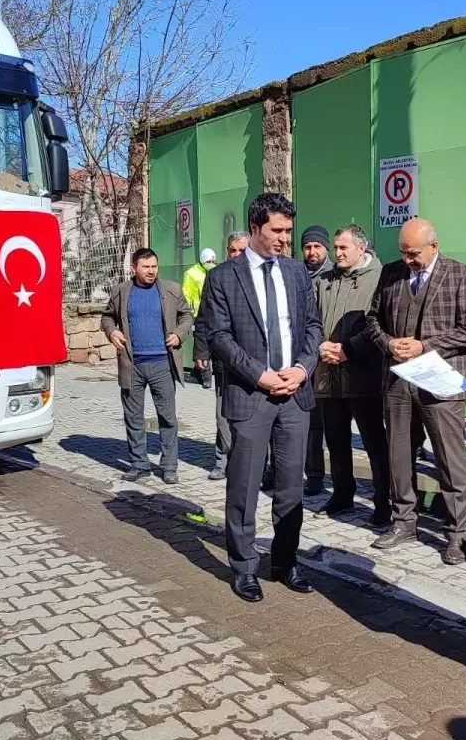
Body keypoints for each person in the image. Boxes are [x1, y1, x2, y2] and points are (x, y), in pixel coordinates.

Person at [203, 193, 322, 602]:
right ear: (255, 228)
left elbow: (312, 326)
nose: (284, 239)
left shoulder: (296, 273)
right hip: (251, 395)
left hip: (294, 395)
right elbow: (218, 337)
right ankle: (243, 567)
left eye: (289, 231)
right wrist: (261, 374)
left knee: (291, 487)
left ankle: (286, 561)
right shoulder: (223, 278)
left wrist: (302, 368)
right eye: (277, 231)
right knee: (245, 487)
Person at [365, 218, 466, 564]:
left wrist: (425, 346)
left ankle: (458, 534)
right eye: (403, 253)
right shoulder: (389, 275)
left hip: (441, 381)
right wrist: (388, 343)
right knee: (399, 455)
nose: (408, 260)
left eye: (414, 253)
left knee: (451, 459)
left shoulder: (459, 274)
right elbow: (371, 320)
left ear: (433, 246)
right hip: (399, 381)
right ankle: (404, 521)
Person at [313, 224, 390, 526]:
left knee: (374, 442)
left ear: (361, 248)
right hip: (328, 374)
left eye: (344, 248)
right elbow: (313, 318)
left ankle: (384, 501)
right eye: (335, 248)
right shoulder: (325, 281)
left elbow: (379, 325)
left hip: (364, 377)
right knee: (336, 440)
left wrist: (349, 349)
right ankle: (343, 493)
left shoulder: (379, 279)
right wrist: (320, 345)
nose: (338, 253)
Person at [101, 247, 193, 486]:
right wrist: (112, 331)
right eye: (146, 267)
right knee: (133, 417)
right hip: (132, 365)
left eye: (154, 266)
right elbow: (107, 316)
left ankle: (169, 466)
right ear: (134, 268)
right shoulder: (121, 291)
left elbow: (187, 316)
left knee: (167, 417)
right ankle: (139, 464)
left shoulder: (171, 290)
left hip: (162, 363)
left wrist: (180, 335)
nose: (151, 271)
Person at [193, 231, 249, 481]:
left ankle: (256, 463)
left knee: (253, 416)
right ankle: (221, 460)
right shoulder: (216, 277)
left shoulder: (261, 276)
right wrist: (201, 350)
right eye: (232, 250)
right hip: (224, 361)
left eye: (241, 250)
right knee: (222, 413)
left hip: (253, 360)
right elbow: (204, 316)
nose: (235, 255)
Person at [300, 224, 333, 496]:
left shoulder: (333, 276)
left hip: (324, 359)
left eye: (317, 247)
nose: (312, 252)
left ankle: (319, 476)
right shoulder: (295, 273)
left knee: (319, 423)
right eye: (308, 247)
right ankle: (288, 472)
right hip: (296, 358)